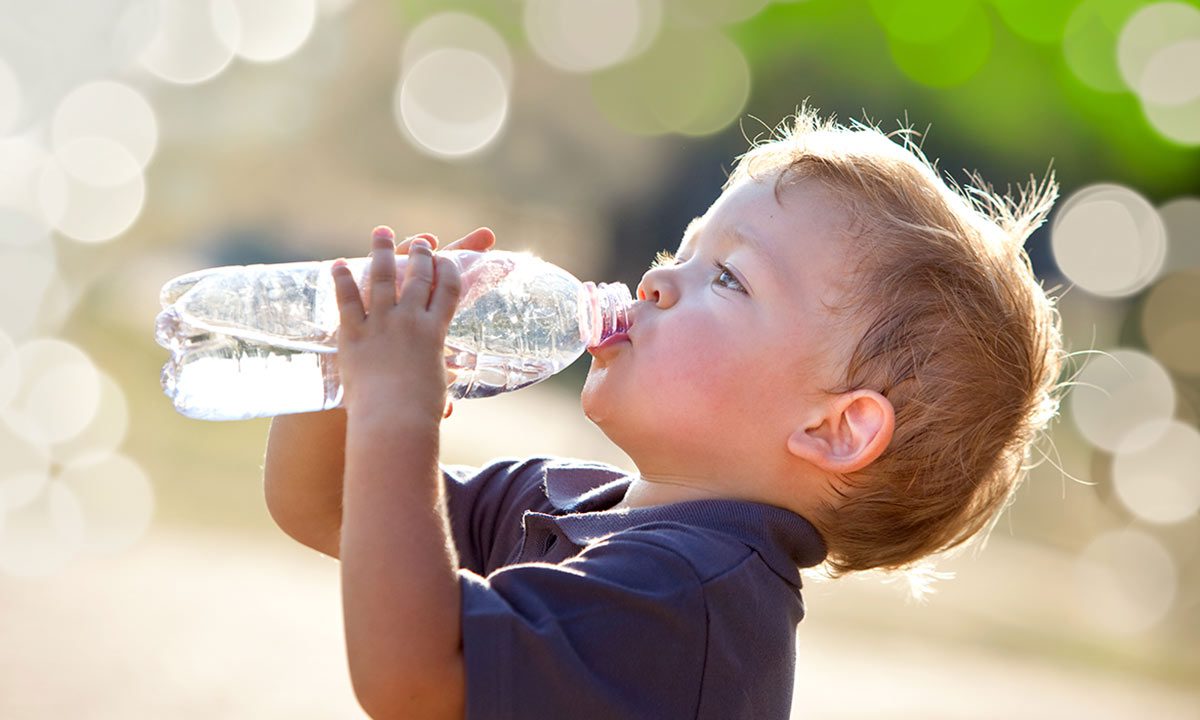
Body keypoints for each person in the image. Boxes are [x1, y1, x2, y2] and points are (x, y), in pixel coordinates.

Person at [262, 107, 1064, 719]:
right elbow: (325, 502)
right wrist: (343, 366)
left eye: (728, 279)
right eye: (682, 249)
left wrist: (396, 413)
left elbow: (412, 678)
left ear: (833, 427)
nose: (654, 281)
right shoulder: (570, 499)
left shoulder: (690, 600)